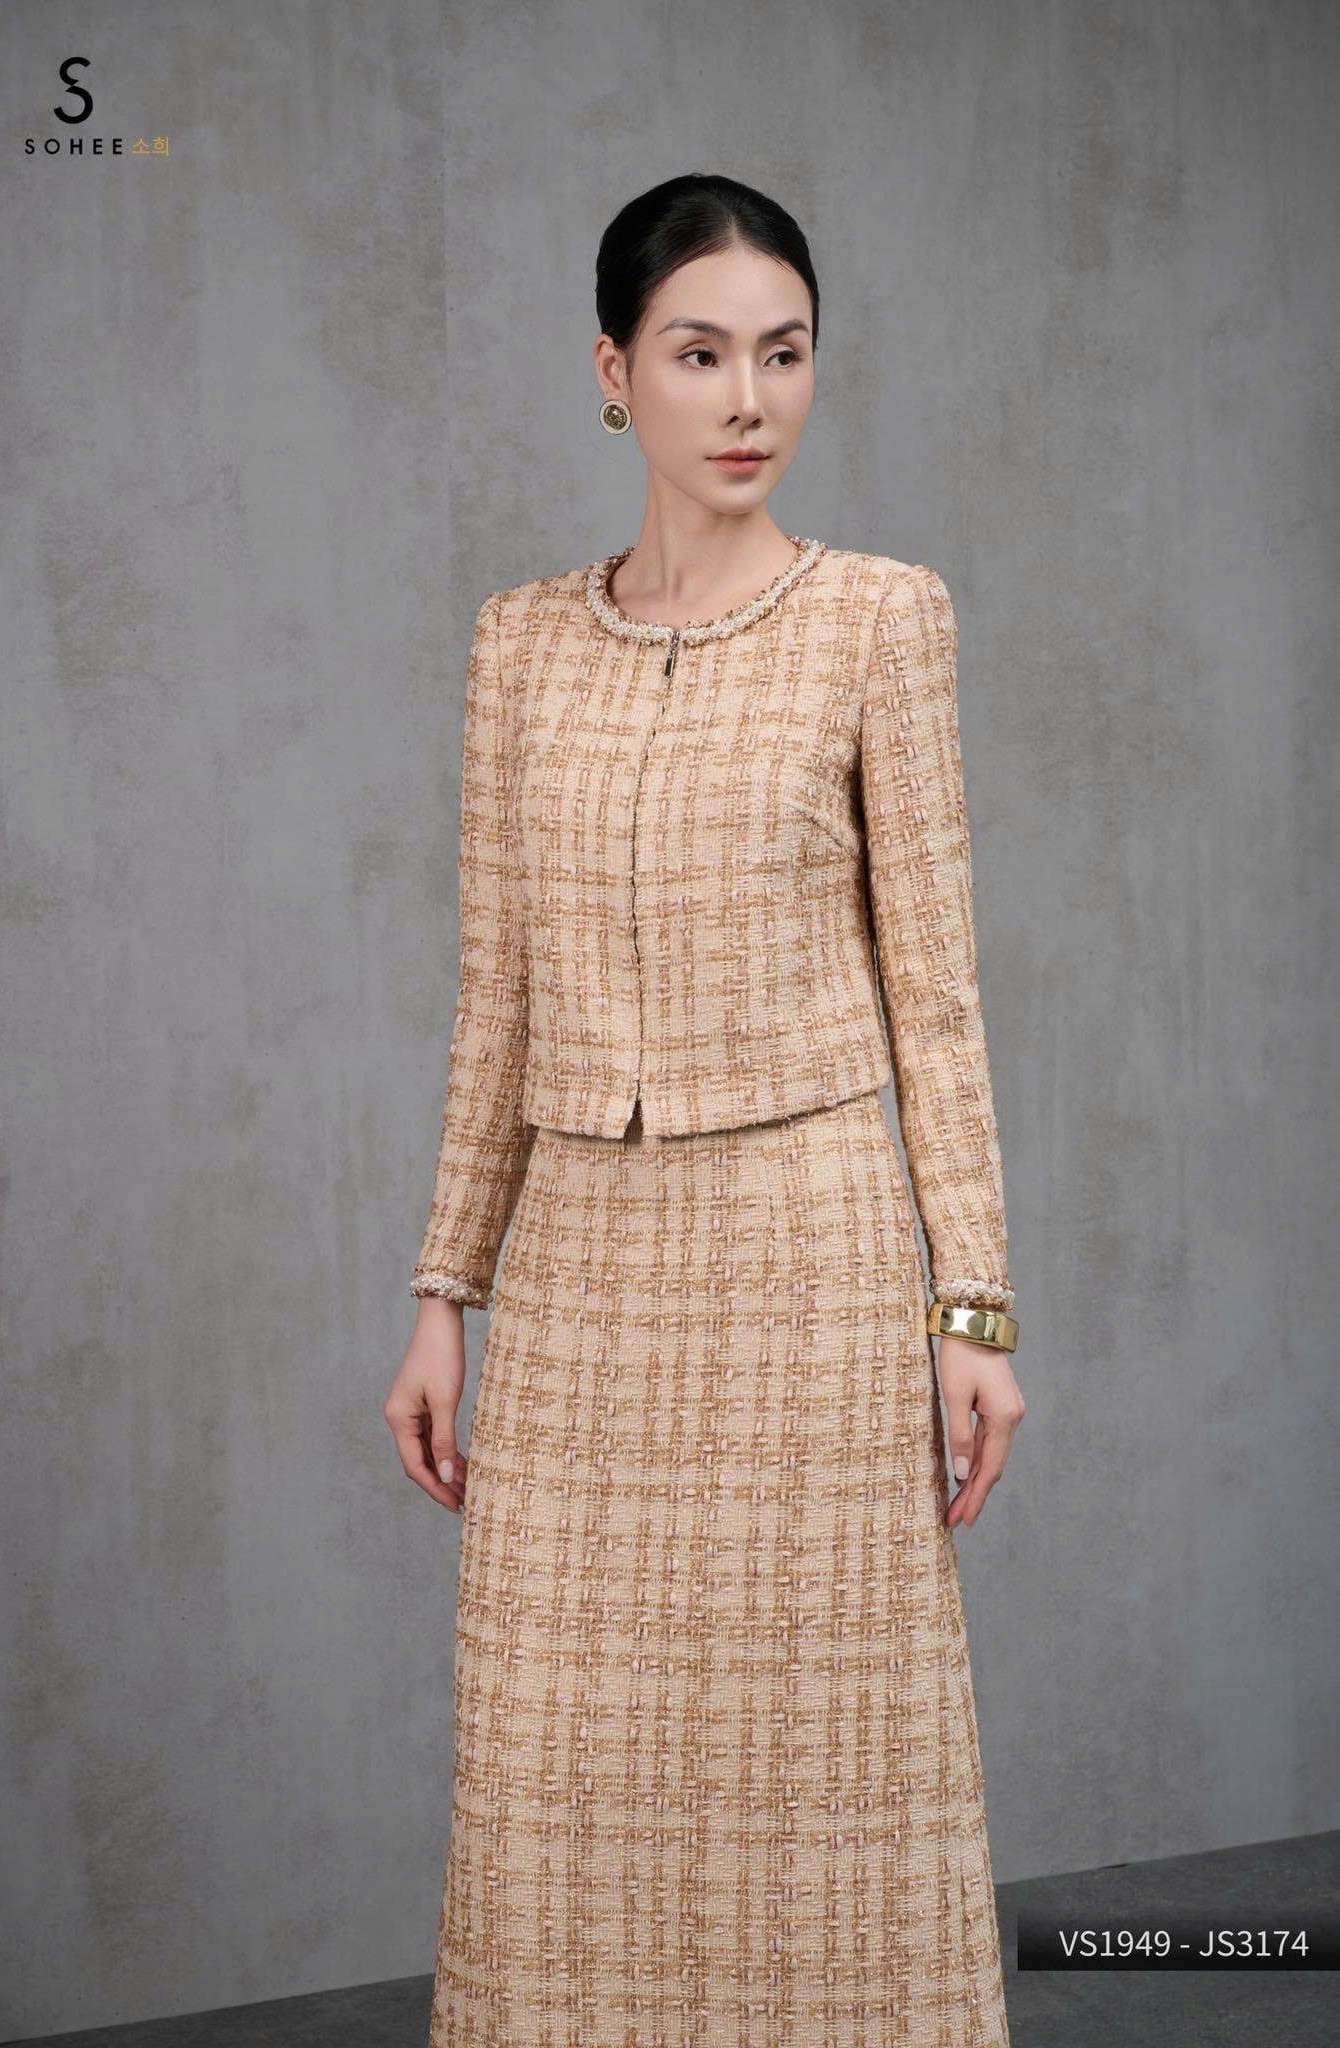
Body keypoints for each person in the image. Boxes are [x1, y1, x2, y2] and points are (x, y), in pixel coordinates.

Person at [384, 171, 1026, 2047]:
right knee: (554, 1782)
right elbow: (494, 995)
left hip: (808, 1272)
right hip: (583, 1285)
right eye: (698, 354)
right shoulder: (519, 643)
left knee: (833, 1779)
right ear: (613, 373)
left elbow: (938, 996)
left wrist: (971, 1310)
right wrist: (442, 1293)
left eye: (783, 353)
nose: (748, 398)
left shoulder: (879, 621)